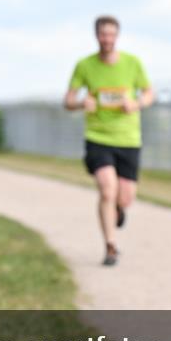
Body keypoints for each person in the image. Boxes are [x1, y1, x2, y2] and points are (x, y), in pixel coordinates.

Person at [65, 16, 154, 266]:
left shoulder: (132, 63)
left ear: (117, 36)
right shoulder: (84, 65)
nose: (107, 39)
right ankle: (110, 246)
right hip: (98, 137)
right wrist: (82, 102)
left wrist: (136, 103)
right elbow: (67, 100)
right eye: (103, 34)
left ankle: (119, 208)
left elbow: (149, 93)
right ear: (96, 36)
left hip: (128, 137)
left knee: (125, 197)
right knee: (107, 188)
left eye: (111, 35)